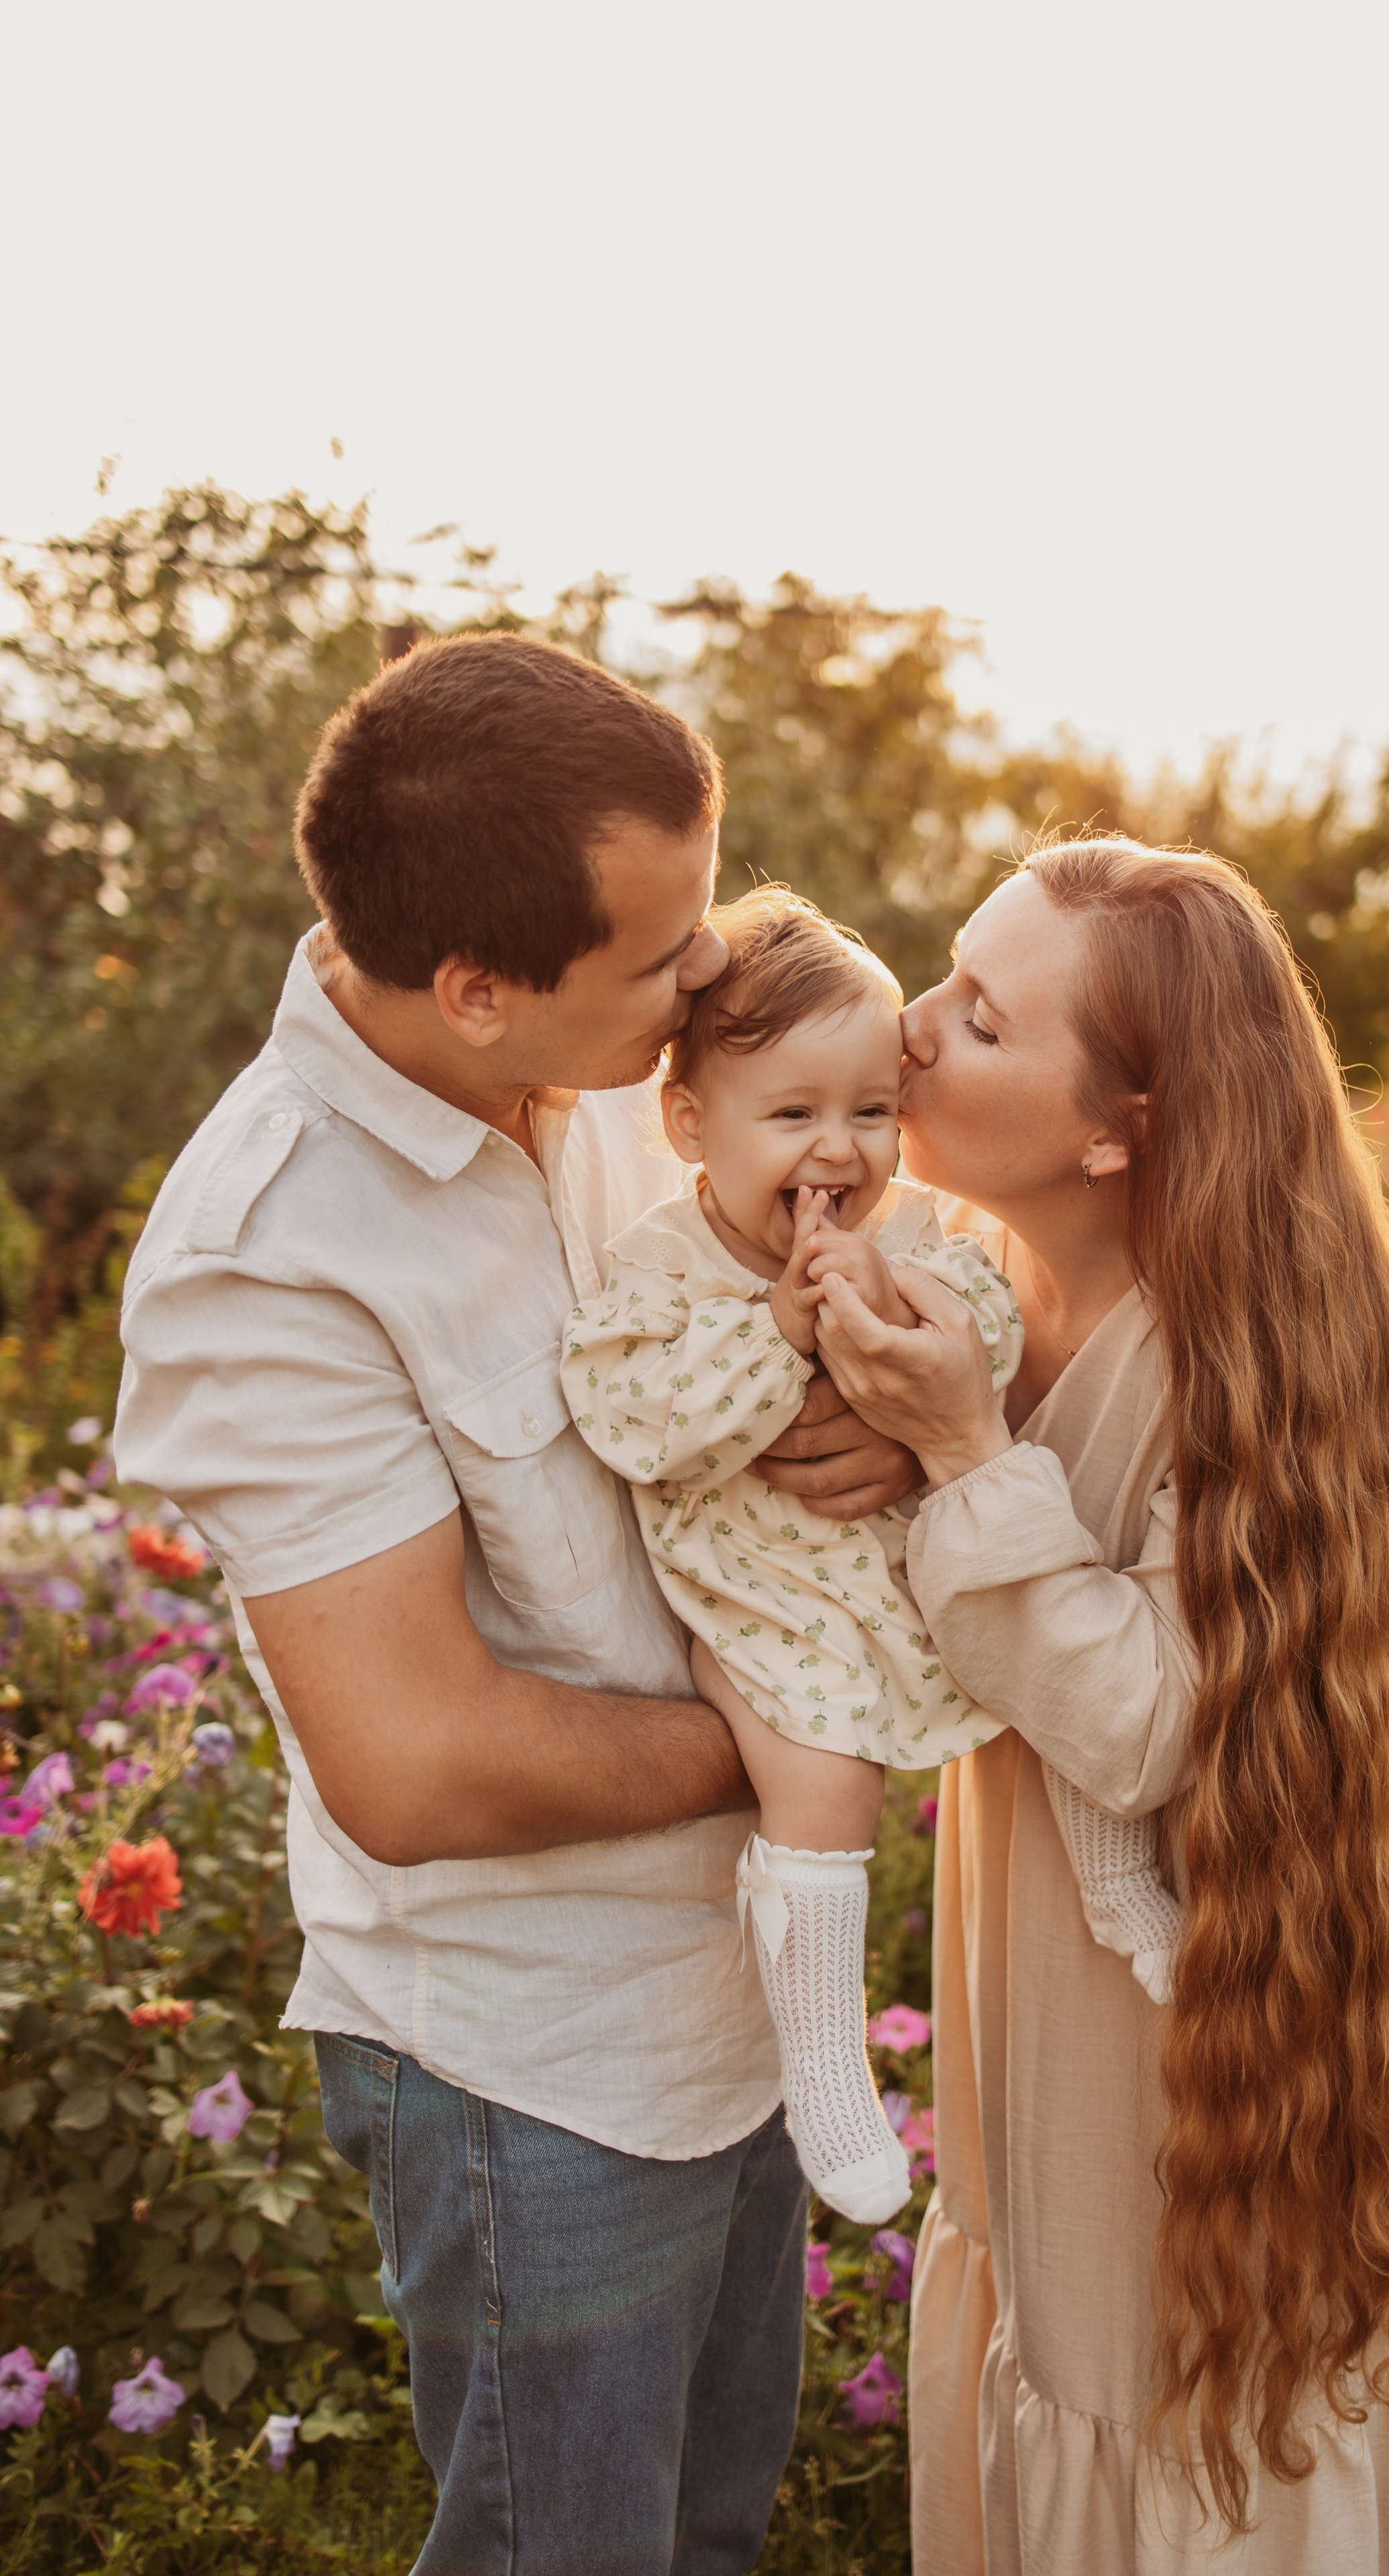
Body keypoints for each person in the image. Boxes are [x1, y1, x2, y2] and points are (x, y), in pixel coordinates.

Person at [113, 633, 920, 2576]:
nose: (712, 977)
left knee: (706, 2532)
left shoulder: (610, 1074)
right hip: (530, 2063)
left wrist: (871, 1430)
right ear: (477, 989)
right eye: (662, 958)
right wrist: (810, 1736)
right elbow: (419, 1765)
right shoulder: (273, 1261)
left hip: (724, 1993)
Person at [811, 840, 1389, 2575]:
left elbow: (1147, 1725)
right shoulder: (971, 1285)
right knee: (1044, 2333)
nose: (913, 1035)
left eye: (980, 1022)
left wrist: (959, 1458)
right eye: (943, 980)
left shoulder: (1235, 1356)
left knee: (1147, 2401)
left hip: (1193, 2068)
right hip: (1038, 2065)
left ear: (1115, 1129)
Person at [562, 883, 1187, 2226]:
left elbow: (977, 1344)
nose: (840, 1146)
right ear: (690, 1124)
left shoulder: (917, 1238)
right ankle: (826, 2065)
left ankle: (1119, 1874)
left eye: (867, 1112)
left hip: (890, 1557)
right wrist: (780, 1340)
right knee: (823, 1782)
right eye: (794, 1116)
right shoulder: (666, 1266)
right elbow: (634, 1419)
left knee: (1034, 1629)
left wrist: (922, 1410)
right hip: (763, 1592)